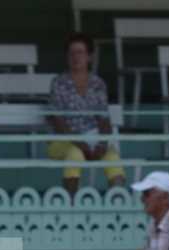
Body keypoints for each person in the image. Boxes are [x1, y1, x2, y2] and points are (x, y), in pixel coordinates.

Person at [46, 31, 125, 196]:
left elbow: (104, 119)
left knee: (112, 157)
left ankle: (119, 205)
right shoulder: (59, 83)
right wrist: (79, 143)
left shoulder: (98, 84)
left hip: (92, 139)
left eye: (80, 52)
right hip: (62, 142)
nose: (76, 57)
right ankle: (71, 205)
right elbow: (57, 120)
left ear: (89, 57)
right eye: (71, 53)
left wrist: (101, 145)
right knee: (75, 154)